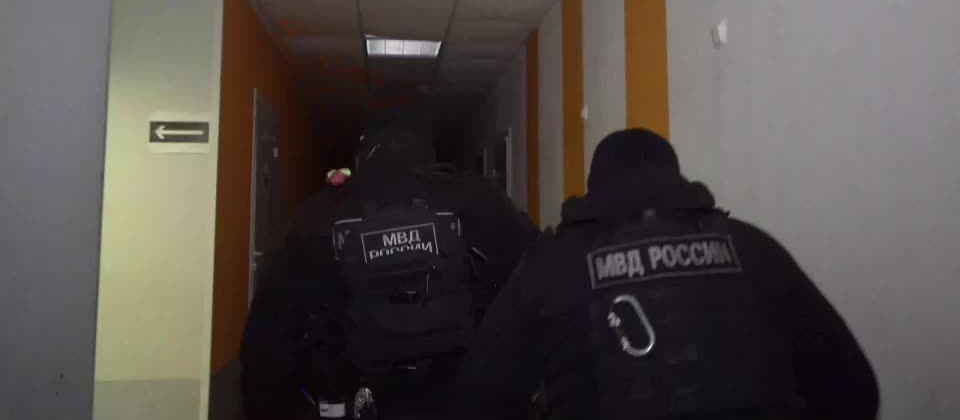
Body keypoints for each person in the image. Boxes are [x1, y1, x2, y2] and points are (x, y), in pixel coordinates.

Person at [452, 129, 879, 420]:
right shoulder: (752, 248)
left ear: (597, 186)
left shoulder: (551, 265)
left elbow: (478, 400)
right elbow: (854, 389)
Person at [240, 85, 539, 420]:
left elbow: (267, 343)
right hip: (461, 400)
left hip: (350, 400)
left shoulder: (316, 216)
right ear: (426, 139)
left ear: (364, 141)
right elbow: (540, 283)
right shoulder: (480, 200)